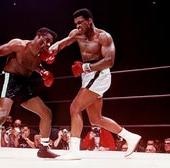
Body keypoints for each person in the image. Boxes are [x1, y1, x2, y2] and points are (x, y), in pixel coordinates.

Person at [49, 8, 141, 159]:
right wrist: (54, 49)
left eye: (80, 22)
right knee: (96, 119)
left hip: (99, 74)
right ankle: (130, 136)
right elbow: (63, 42)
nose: (78, 26)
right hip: (88, 76)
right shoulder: (77, 33)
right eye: (76, 23)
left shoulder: (103, 37)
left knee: (75, 108)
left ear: (89, 21)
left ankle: (74, 151)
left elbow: (109, 61)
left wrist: (85, 67)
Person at [0, 27, 59, 162]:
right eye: (47, 40)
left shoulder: (41, 55)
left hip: (24, 84)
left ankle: (43, 149)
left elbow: (31, 65)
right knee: (1, 117)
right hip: (9, 80)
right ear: (38, 35)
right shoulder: (19, 45)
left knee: (46, 112)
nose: (48, 45)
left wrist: (42, 72)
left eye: (50, 43)